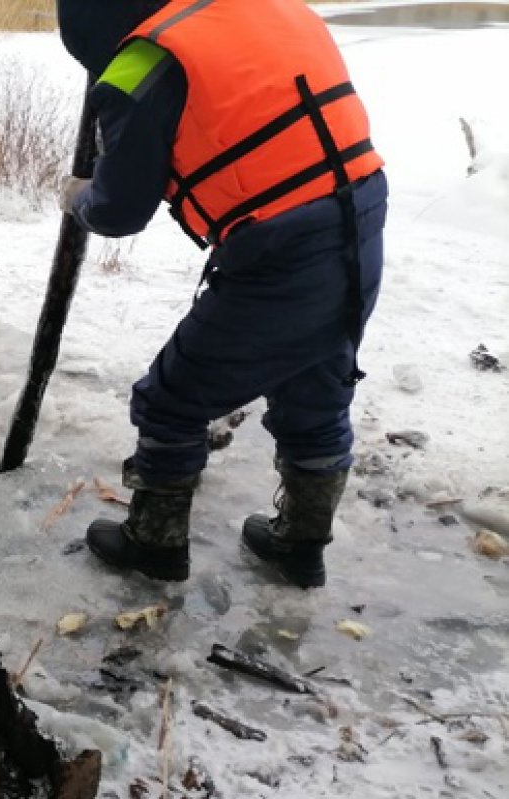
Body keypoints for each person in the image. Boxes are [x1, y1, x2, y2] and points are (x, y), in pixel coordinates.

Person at [56, 0, 388, 589]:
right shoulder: (263, 8)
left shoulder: (142, 63)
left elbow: (120, 208)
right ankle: (300, 545)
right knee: (315, 381)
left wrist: (78, 196)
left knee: (172, 400)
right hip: (359, 218)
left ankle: (155, 544)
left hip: (281, 249)